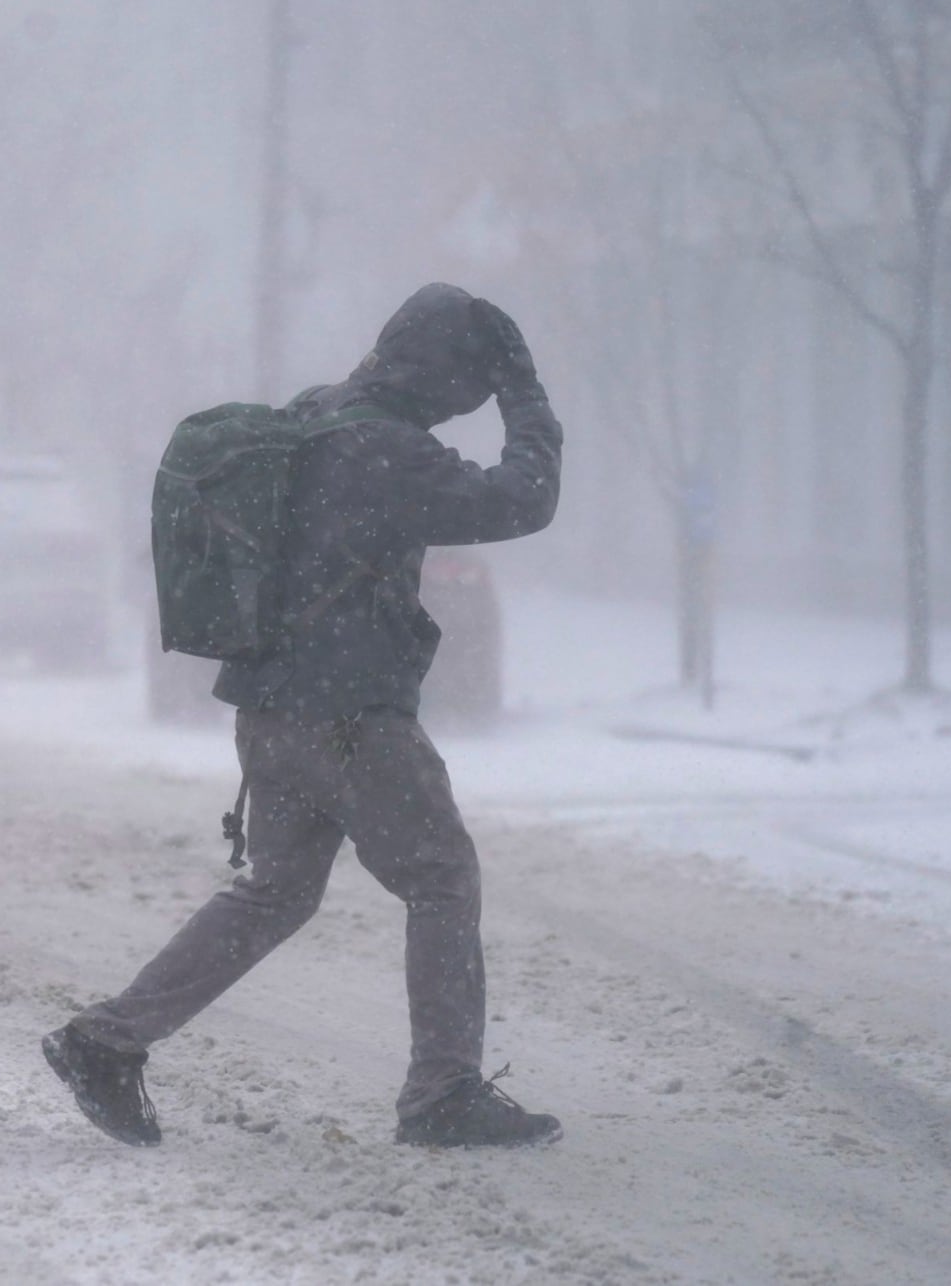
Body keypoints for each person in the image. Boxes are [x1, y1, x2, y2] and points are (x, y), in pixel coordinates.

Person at [44, 283, 566, 1149]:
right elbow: (525, 499)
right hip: (353, 716)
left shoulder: (315, 416)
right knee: (441, 878)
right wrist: (527, 395)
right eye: (469, 388)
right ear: (450, 378)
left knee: (274, 894)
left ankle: (106, 1040)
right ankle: (443, 1094)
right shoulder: (385, 449)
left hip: (272, 712)